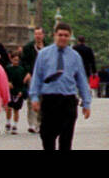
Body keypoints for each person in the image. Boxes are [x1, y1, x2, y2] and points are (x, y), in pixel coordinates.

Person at [29, 22, 92, 150]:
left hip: (68, 100)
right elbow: (37, 77)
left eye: (66, 35)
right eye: (60, 35)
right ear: (54, 36)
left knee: (66, 139)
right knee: (47, 136)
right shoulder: (43, 54)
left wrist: (86, 103)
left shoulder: (75, 57)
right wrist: (34, 98)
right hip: (49, 99)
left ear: (69, 37)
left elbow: (82, 80)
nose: (63, 38)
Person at [21, 27, 46, 133]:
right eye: (36, 34)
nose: (38, 36)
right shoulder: (28, 48)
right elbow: (24, 62)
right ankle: (32, 123)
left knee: (43, 99)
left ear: (43, 35)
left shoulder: (48, 48)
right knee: (32, 99)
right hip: (32, 76)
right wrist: (28, 73)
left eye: (39, 34)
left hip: (45, 77)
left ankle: (40, 122)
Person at [4, 48, 29, 133]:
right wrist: (7, 82)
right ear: (11, 59)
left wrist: (22, 91)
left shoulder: (21, 70)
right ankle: (8, 122)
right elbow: (4, 78)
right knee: (8, 108)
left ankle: (15, 125)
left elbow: (23, 82)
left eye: (17, 60)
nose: (16, 62)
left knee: (16, 109)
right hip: (10, 90)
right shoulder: (8, 69)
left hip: (18, 91)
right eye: (14, 60)